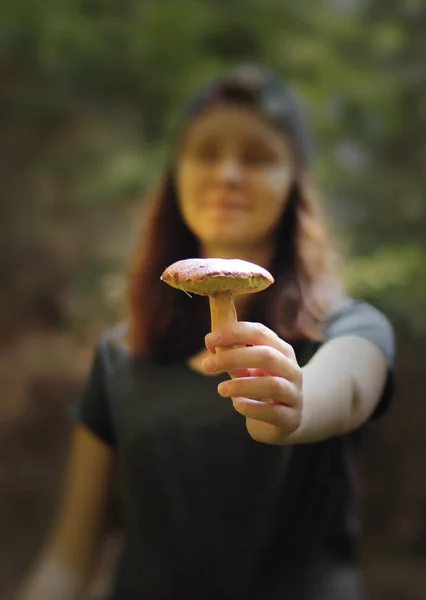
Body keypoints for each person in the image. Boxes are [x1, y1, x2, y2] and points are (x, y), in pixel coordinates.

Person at [18, 65, 395, 600]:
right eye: (206, 153)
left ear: (295, 183)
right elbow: (69, 559)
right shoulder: (119, 358)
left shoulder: (348, 328)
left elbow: (350, 385)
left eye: (259, 156)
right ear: (176, 176)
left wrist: (297, 400)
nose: (229, 174)